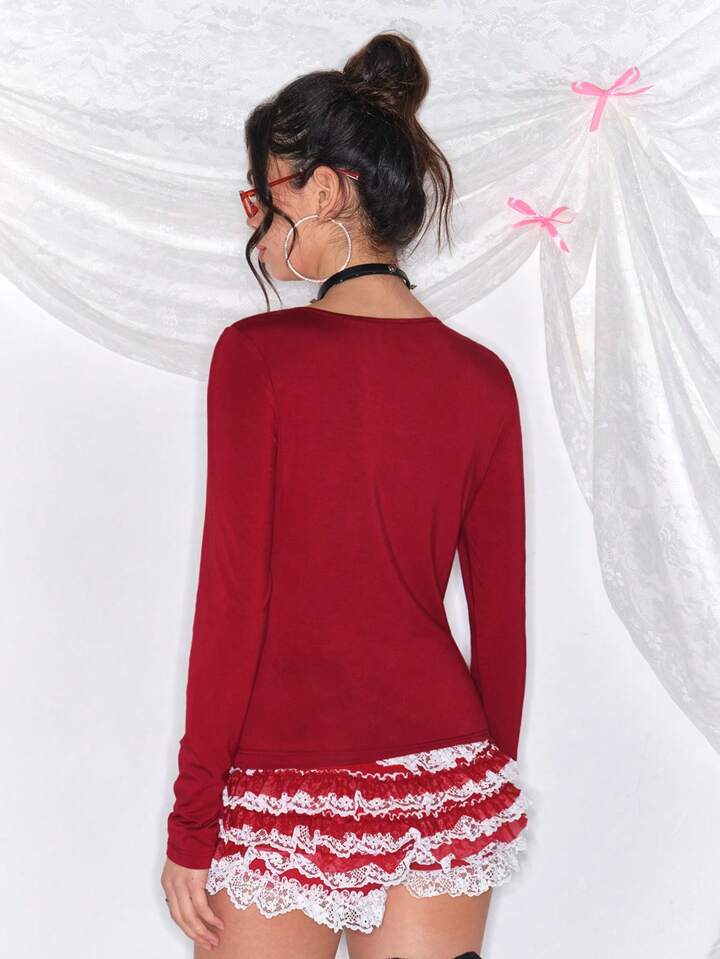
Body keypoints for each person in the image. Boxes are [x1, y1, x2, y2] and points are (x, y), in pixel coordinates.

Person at [161, 30, 530, 959]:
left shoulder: (257, 359)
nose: (256, 222)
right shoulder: (482, 379)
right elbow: (503, 618)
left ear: (323, 191)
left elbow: (233, 597)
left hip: (283, 773)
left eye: (264, 195)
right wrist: (478, 789)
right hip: (442, 771)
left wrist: (194, 818)